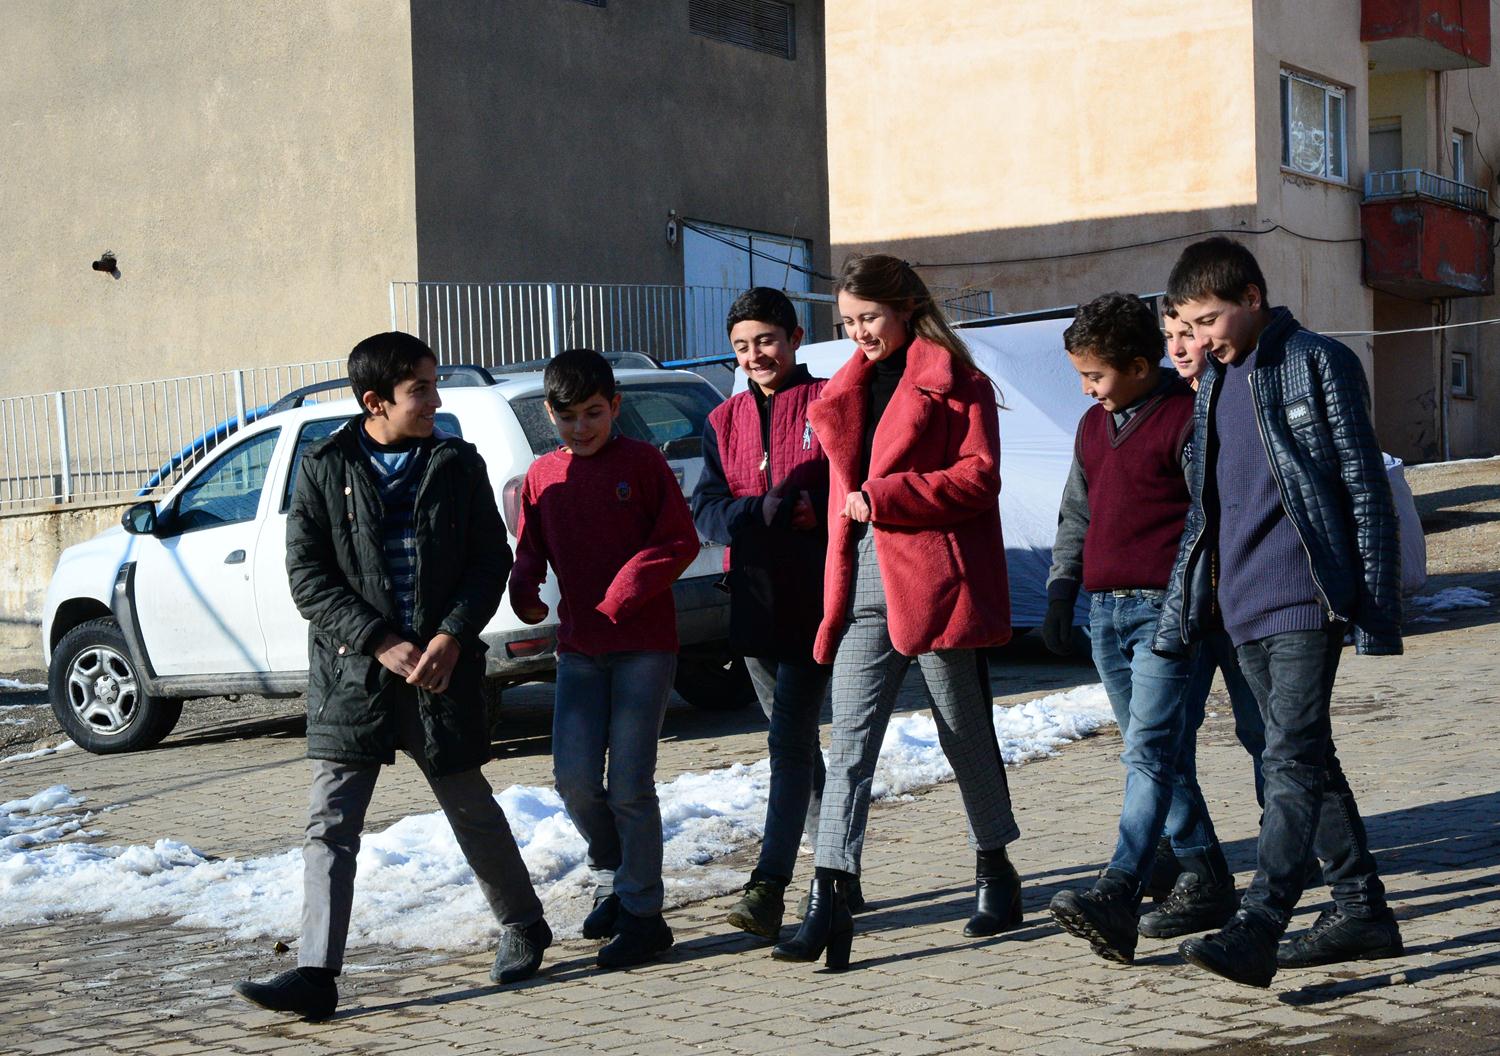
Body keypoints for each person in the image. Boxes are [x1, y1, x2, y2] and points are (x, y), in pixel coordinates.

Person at [234, 332, 548, 1021]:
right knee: (331, 823)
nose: (435, 401)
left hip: (441, 675)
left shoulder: (456, 463)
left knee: (469, 806)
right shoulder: (322, 467)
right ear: (375, 401)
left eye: (434, 386)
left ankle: (524, 924)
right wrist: (377, 641)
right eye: (421, 390)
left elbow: (487, 562)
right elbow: (307, 578)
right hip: (355, 678)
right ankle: (316, 974)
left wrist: (449, 637)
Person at [1158, 237, 1404, 988]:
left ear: (1253, 298)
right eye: (1189, 324)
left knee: (1289, 759)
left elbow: (1364, 486)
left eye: (1209, 318)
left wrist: (1374, 602)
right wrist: (1188, 607)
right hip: (1240, 607)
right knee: (1304, 758)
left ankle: (1260, 922)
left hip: (1304, 595)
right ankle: (1361, 908)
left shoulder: (1317, 361)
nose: (1199, 337)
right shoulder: (1212, 386)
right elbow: (1207, 510)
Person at [772, 254, 1023, 971]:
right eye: (847, 322)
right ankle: (830, 895)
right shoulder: (845, 388)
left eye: (869, 318)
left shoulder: (957, 380)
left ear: (906, 306)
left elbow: (980, 477)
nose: (859, 334)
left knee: (963, 732)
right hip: (863, 581)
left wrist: (891, 497)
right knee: (849, 742)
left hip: (936, 576)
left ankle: (995, 870)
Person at [1042, 293, 1237, 964]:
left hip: (1166, 613)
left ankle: (1119, 888)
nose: (1088, 390)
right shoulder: (1092, 428)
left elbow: (1207, 520)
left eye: (1094, 376)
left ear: (1136, 364)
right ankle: (1205, 876)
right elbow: (1077, 512)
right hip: (1105, 613)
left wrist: (1190, 606)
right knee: (1156, 751)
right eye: (1081, 378)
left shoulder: (1186, 420)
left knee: (1148, 752)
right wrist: (1061, 590)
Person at [509, 348, 700, 969]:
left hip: (644, 646)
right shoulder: (543, 475)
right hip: (579, 650)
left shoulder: (643, 463)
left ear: (615, 407)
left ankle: (643, 914)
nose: (581, 427)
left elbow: (680, 540)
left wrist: (626, 590)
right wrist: (525, 587)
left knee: (629, 785)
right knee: (573, 780)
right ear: (550, 415)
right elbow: (530, 544)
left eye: (594, 413)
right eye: (568, 417)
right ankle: (613, 873)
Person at [691, 287, 854, 940]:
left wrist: (819, 512)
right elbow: (705, 510)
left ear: (795, 336)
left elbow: (855, 485)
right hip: (751, 602)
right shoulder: (720, 420)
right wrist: (753, 515)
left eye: (766, 340)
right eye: (741, 346)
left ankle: (770, 886)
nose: (755, 354)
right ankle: (838, 873)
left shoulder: (832, 403)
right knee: (795, 745)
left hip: (817, 596)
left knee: (787, 739)